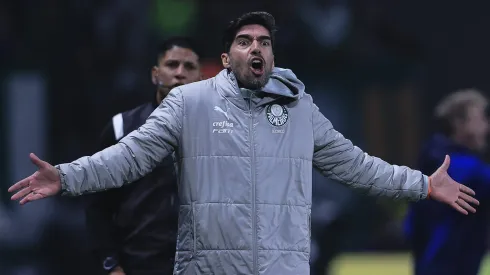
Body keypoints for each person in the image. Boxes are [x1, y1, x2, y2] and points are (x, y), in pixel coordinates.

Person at [9, 12, 479, 275]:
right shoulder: (189, 104)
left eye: (264, 41)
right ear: (225, 57)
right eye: (244, 40)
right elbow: (127, 158)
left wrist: (422, 185)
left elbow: (356, 165)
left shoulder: (300, 109)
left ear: (272, 55)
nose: (256, 47)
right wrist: (66, 176)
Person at [84, 37, 202, 275]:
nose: (180, 73)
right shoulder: (121, 129)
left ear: (201, 79)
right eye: (172, 65)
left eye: (189, 67)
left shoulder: (219, 132)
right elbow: (98, 206)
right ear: (155, 74)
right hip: (138, 266)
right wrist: (111, 265)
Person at [404, 89, 490, 275]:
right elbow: (479, 177)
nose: (487, 127)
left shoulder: (434, 153)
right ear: (459, 122)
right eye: (482, 118)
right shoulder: (445, 162)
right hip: (441, 265)